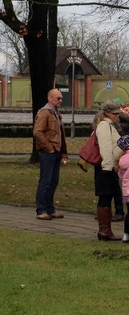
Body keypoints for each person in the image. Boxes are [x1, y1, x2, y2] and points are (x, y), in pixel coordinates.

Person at [33, 89, 68, 220]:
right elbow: (38, 132)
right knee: (45, 182)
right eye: (58, 98)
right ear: (50, 98)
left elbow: (60, 134)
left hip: (56, 151)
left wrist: (63, 152)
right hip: (48, 152)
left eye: (61, 98)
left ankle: (49, 209)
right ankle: (41, 210)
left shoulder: (56, 113)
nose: (60, 100)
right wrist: (49, 148)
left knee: (53, 182)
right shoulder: (44, 113)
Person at [94, 100, 124, 241]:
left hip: (109, 166)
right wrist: (108, 167)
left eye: (118, 113)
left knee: (108, 196)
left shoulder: (110, 124)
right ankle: (105, 230)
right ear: (107, 113)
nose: (117, 116)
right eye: (114, 113)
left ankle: (105, 229)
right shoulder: (104, 125)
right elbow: (105, 148)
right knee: (106, 196)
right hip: (106, 167)